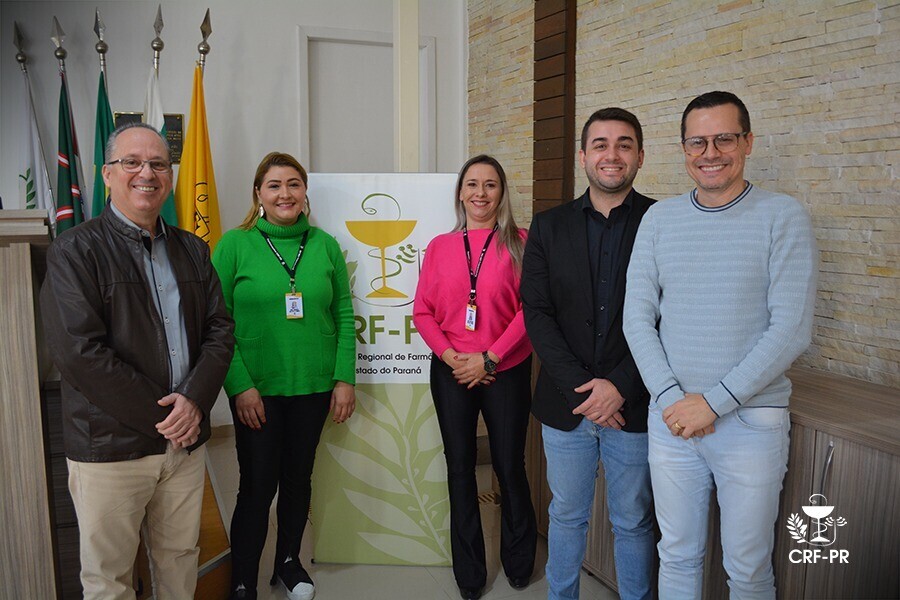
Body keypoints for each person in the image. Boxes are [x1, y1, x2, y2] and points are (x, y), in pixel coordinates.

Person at [624, 91, 818, 598]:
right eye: (697, 142)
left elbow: (791, 329)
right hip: (671, 419)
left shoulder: (783, 216)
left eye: (724, 139)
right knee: (676, 556)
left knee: (748, 569)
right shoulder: (659, 219)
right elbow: (637, 319)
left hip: (751, 422)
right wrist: (673, 400)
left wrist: (712, 404)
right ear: (684, 148)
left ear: (747, 142)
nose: (710, 153)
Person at [40, 121, 235, 599]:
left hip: (182, 447)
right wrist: (170, 417)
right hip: (111, 448)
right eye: (131, 162)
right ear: (107, 173)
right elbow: (79, 353)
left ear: (169, 176)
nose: (146, 173)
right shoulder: (74, 250)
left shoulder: (192, 249)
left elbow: (220, 331)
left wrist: (193, 401)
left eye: (158, 164)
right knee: (109, 580)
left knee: (180, 563)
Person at [521, 108, 656, 600]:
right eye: (600, 144)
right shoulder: (548, 226)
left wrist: (619, 386)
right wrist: (584, 390)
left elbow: (669, 316)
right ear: (583, 156)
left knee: (634, 520)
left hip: (635, 405)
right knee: (566, 514)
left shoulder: (663, 221)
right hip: (567, 404)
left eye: (624, 144)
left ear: (640, 156)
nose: (611, 154)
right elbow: (537, 313)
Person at [212, 152, 356, 600]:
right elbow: (215, 322)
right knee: (257, 487)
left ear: (304, 191)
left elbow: (344, 313)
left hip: (313, 386)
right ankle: (243, 579)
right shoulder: (234, 245)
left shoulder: (324, 245)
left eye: (293, 184)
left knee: (298, 480)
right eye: (274, 185)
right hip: (257, 391)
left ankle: (289, 563)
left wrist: (344, 378)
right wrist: (239, 386)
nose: (285, 194)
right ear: (258, 193)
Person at [413, 155, 537, 600]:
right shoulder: (439, 247)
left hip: (506, 368)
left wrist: (489, 358)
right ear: (460, 193)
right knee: (460, 468)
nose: (480, 193)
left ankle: (519, 560)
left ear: (501, 193)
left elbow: (530, 309)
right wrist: (453, 358)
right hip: (451, 370)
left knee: (509, 466)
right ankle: (469, 571)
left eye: (490, 185)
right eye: (472, 184)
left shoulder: (522, 242)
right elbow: (422, 312)